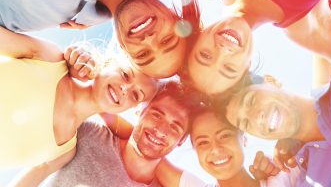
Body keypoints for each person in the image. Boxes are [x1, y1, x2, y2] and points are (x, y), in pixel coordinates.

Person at [224, 2, 331, 186]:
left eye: (251, 100)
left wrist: (318, 9)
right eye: (245, 123)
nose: (256, 116)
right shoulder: (303, 178)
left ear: (271, 81)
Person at [0, 26, 158, 170]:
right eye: (125, 74)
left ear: (131, 109)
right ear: (109, 62)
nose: (125, 88)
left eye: (135, 95)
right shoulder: (49, 57)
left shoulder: (64, 152)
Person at [0, 0, 200, 78]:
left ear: (123, 49)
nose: (148, 40)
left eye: (142, 54)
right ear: (177, 18)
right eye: (167, 40)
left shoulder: (65, 17)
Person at [180, 0, 331, 95]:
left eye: (205, 55)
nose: (223, 50)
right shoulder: (305, 27)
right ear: (246, 65)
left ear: (197, 36)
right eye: (229, 68)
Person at [11, 81, 199, 186]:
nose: (161, 130)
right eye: (157, 115)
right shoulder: (88, 134)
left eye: (175, 127)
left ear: (181, 141)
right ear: (139, 112)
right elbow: (38, 167)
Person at [155, 105, 300, 187]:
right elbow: (147, 153)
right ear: (195, 150)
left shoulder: (284, 176)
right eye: (203, 142)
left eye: (224, 135)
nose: (216, 149)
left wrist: (294, 139)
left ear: (243, 138)